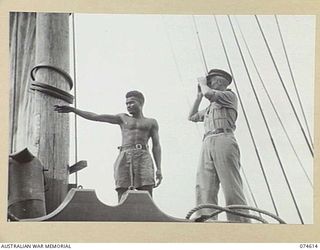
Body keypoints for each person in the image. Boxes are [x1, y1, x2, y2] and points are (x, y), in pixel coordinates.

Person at [54, 90, 162, 202]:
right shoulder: (122, 118)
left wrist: (159, 169)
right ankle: (122, 215)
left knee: (146, 190)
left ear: (141, 103)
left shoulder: (151, 122)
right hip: (125, 155)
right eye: (127, 103)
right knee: (122, 189)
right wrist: (73, 110)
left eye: (132, 102)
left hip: (143, 156)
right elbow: (96, 116)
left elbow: (156, 146)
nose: (128, 106)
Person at [188, 69, 250, 223]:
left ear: (220, 82)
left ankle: (239, 220)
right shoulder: (211, 107)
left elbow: (210, 94)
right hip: (208, 140)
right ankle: (206, 217)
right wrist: (198, 97)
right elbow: (192, 116)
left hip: (224, 138)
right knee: (204, 181)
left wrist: (203, 85)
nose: (208, 83)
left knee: (230, 182)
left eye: (211, 81)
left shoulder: (229, 96)